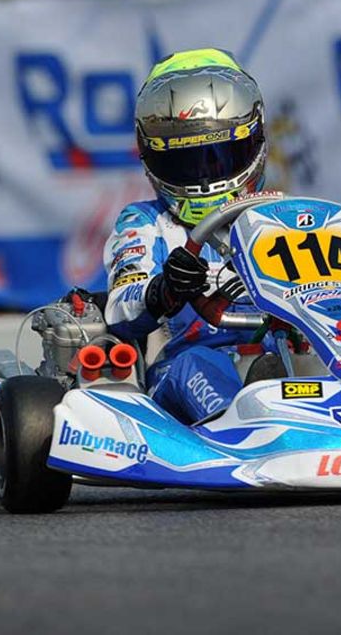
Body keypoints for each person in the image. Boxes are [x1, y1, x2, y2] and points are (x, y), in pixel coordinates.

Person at [102, 48, 284, 424]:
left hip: (282, 362)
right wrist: (164, 289)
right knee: (196, 363)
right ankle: (245, 425)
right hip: (183, 375)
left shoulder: (285, 218)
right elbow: (120, 306)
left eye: (220, 157)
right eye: (186, 163)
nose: (205, 176)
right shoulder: (147, 222)